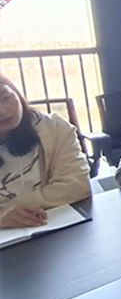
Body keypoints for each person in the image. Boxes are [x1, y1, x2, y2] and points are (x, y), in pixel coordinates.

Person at [0, 76, 90, 228]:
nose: (2, 110)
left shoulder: (54, 128)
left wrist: (8, 209)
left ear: (17, 94)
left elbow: (76, 186)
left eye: (6, 97)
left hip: (56, 225)